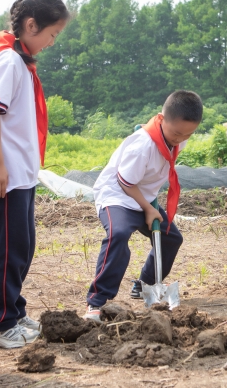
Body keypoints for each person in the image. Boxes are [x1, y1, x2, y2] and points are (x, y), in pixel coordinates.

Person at [0, 0, 69, 349]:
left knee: (22, 247)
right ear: (31, 25)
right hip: (7, 176)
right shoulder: (7, 62)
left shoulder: (21, 62)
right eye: (52, 34)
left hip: (21, 175)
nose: (52, 42)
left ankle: (12, 310)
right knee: (6, 251)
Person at [84, 91, 202, 322]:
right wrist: (148, 208)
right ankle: (96, 301)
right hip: (117, 196)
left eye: (188, 134)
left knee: (171, 238)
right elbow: (125, 182)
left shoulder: (177, 137)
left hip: (142, 197)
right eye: (177, 133)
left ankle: (145, 284)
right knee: (118, 234)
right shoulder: (142, 146)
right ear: (162, 118)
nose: (181, 138)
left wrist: (150, 202)